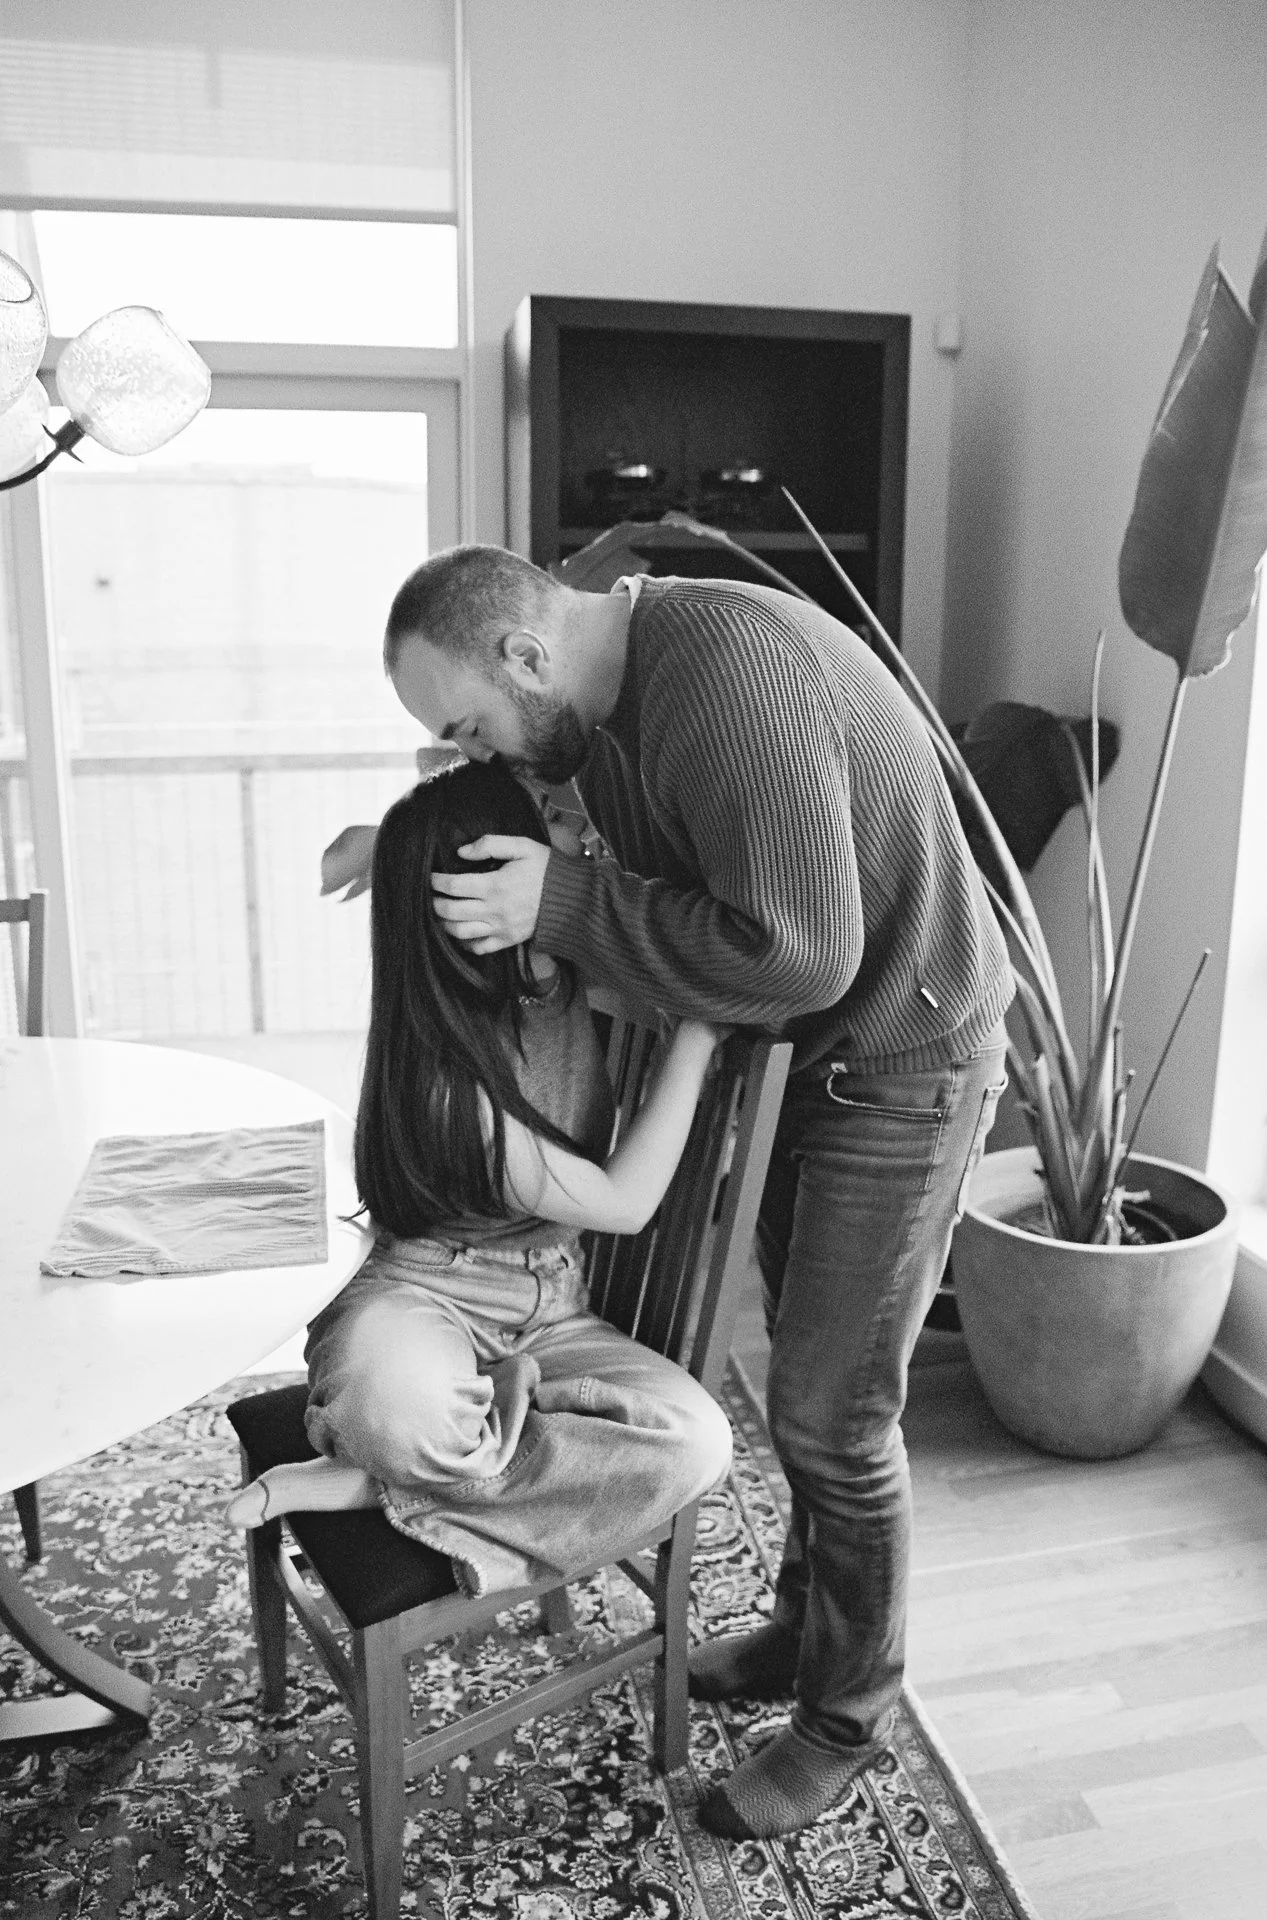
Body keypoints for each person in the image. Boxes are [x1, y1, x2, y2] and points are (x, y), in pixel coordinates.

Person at [355, 544, 1014, 1843]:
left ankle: (847, 1725)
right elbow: (673, 877)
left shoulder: (714, 675)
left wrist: (567, 903)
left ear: (526, 657)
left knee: (833, 1413)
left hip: (900, 1057)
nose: (466, 749)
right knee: (807, 1397)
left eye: (465, 725)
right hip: (815, 1065)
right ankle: (796, 1632)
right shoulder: (599, 712)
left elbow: (801, 953)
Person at [226, 758, 733, 1605]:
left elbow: (352, 854)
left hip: (550, 1304)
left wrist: (392, 844)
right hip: (424, 1290)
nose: (583, 836)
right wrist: (697, 1041)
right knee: (396, 1415)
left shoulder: (563, 966)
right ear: (487, 889)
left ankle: (381, 1484)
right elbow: (624, 1203)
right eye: (555, 824)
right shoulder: (449, 1081)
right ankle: (432, 1454)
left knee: (695, 1444)